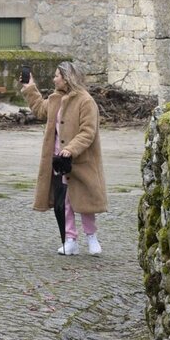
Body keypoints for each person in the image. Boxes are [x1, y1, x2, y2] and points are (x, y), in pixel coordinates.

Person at [21, 61, 107, 255]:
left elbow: (88, 131)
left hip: (80, 160)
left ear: (67, 78)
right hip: (60, 162)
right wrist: (30, 88)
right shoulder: (55, 98)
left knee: (84, 201)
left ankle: (92, 238)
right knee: (65, 201)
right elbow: (40, 110)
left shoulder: (86, 101)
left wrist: (71, 148)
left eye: (57, 75)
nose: (54, 79)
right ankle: (70, 240)